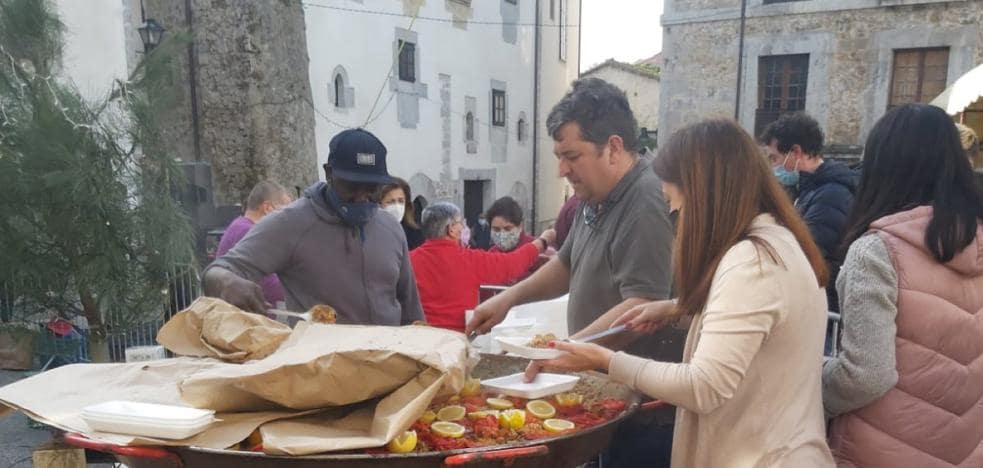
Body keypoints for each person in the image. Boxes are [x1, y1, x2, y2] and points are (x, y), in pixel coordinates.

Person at [536, 118, 835, 468]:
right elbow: (757, 324)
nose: (675, 217)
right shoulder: (775, 241)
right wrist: (677, 308)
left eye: (675, 203)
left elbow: (704, 386)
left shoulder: (752, 262)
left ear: (705, 197)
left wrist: (606, 361)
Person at [466, 77, 679, 467]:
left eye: (572, 155)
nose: (562, 169)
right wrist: (508, 299)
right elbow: (566, 263)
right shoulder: (593, 195)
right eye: (559, 156)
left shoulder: (645, 200)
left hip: (645, 411)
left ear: (613, 148)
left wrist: (566, 350)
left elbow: (644, 302)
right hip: (606, 393)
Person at [822, 104, 983, 467]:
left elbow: (865, 376)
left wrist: (810, 387)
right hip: (963, 448)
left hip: (880, 450)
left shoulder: (877, 252)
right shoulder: (976, 240)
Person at [203, 128, 424, 325]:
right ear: (329, 173)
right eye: (352, 186)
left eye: (371, 188)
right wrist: (227, 282)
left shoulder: (391, 228)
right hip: (320, 366)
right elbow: (216, 271)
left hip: (387, 364)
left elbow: (410, 308)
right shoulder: (291, 223)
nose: (361, 197)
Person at [761, 112, 856, 313]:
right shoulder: (810, 189)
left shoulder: (831, 193)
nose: (773, 166)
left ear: (796, 151)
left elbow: (808, 249)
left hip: (822, 300)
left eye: (775, 157)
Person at [410, 202, 555, 332]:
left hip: (421, 337)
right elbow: (512, 264)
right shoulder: (470, 260)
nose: (463, 227)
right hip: (456, 340)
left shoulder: (409, 260)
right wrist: (542, 241)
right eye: (460, 223)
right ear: (451, 229)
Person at [215, 181, 293, 306]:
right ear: (268, 208)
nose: (290, 216)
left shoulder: (241, 226)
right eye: (286, 209)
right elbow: (268, 284)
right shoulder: (248, 232)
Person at [379, 177, 424, 250]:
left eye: (401, 201)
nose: (396, 206)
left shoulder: (414, 233)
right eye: (390, 202)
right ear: (379, 204)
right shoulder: (373, 233)